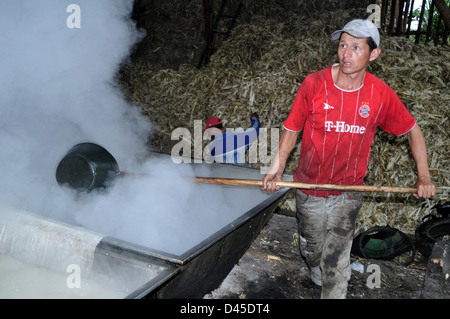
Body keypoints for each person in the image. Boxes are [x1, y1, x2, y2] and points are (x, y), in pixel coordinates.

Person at [261, 19, 436, 299]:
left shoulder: (379, 94)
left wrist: (424, 177)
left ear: (373, 54)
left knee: (336, 260)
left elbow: (413, 129)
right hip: (309, 188)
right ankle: (315, 267)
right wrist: (277, 169)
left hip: (349, 192)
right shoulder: (314, 84)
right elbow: (292, 128)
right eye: (343, 45)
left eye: (356, 47)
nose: (346, 53)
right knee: (312, 249)